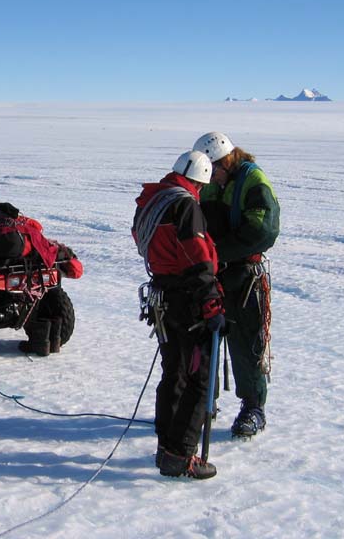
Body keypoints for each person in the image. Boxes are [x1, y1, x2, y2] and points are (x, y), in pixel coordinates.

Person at [133, 150, 224, 479]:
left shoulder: (151, 201)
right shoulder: (185, 205)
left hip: (163, 297)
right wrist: (211, 303)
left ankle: (165, 444)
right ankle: (180, 454)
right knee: (198, 380)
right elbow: (197, 258)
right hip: (188, 302)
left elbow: (142, 238)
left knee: (174, 372)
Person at [193, 131, 280, 438]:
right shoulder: (211, 183)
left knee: (246, 342)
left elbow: (263, 230)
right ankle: (203, 402)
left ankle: (253, 407)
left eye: (213, 169)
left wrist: (218, 253)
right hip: (212, 273)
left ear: (226, 161)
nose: (210, 176)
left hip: (242, 275)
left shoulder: (252, 180)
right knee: (201, 340)